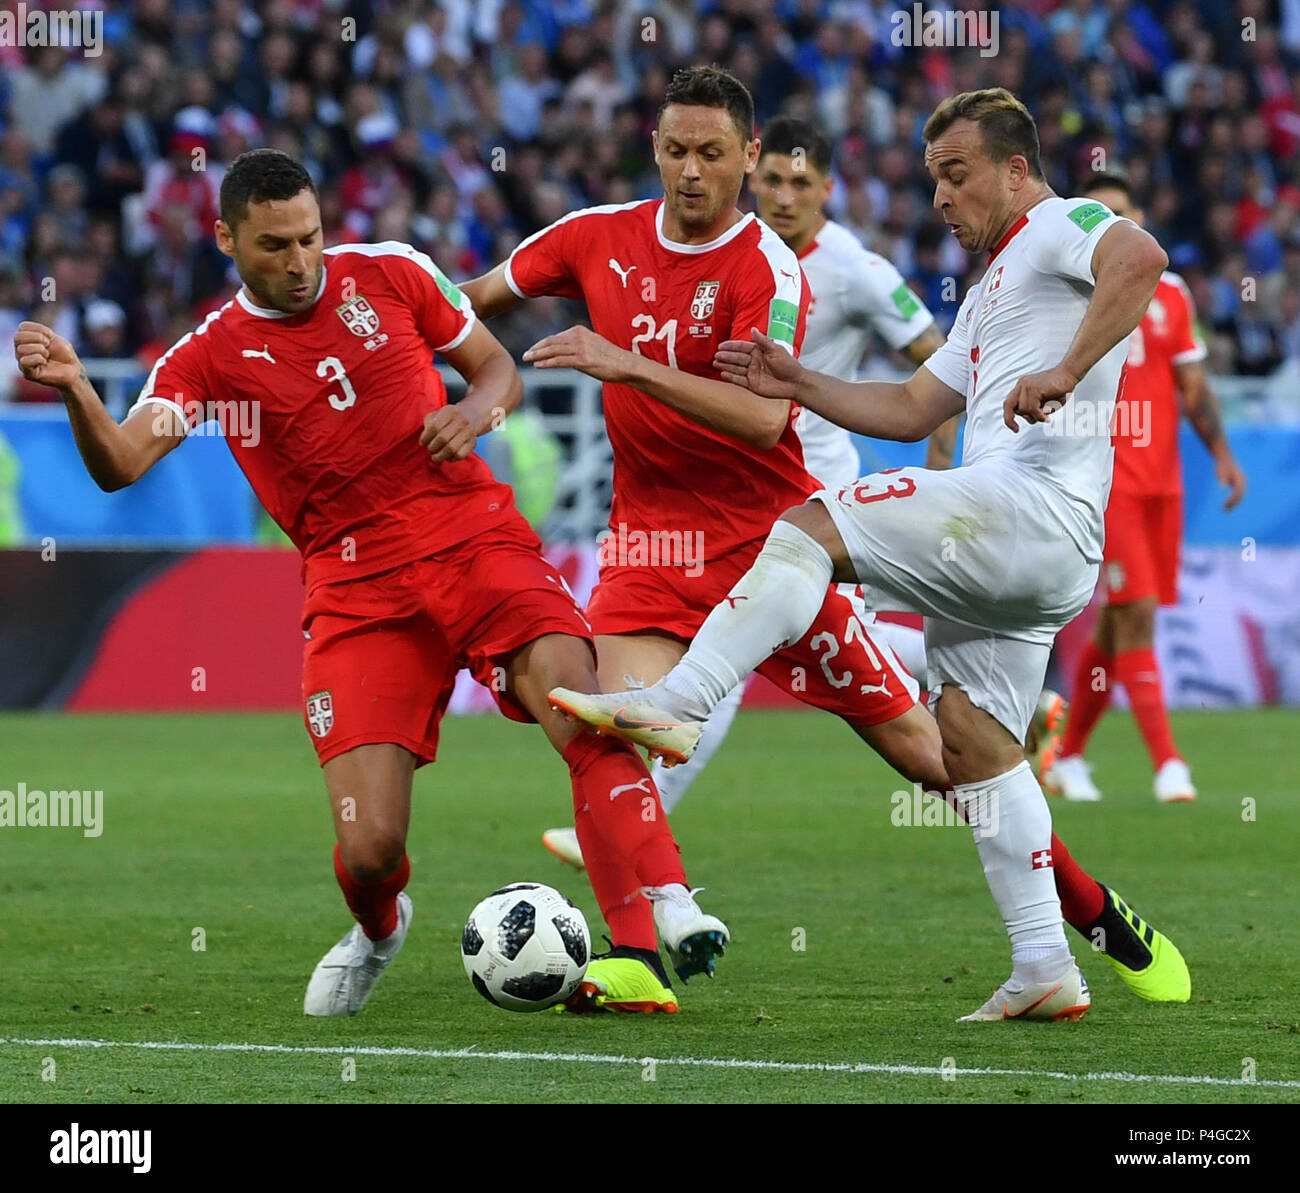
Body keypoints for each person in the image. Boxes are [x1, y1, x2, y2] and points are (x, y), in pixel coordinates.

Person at [467, 72, 1188, 1017]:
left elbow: (1142, 257)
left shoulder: (1059, 224)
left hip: (1013, 513)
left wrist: (1063, 369)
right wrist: (796, 377)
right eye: (932, 176)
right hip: (676, 544)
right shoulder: (987, 293)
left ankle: (681, 703)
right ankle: (1052, 959)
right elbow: (909, 404)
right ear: (654, 148)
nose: (938, 196)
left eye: (956, 174)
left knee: (816, 548)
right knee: (969, 750)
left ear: (1017, 170)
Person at [11, 147, 725, 1019]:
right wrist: (81, 388)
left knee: (581, 705)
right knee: (371, 845)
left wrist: (472, 412)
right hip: (357, 598)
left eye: (310, 236)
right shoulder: (207, 356)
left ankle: (642, 945)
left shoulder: (392, 271)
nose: (301, 261)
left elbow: (497, 369)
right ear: (226, 237)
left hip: (476, 542)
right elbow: (122, 464)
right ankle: (380, 928)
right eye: (275, 246)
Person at [1045, 171, 1248, 804]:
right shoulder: (1067, 289)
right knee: (1135, 620)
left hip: (1165, 484)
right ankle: (1169, 765)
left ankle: (1069, 756)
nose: (1114, 226)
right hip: (1108, 482)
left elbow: (1192, 383)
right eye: (1099, 215)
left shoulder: (1173, 292)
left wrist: (1221, 454)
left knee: (1119, 625)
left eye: (1123, 215)